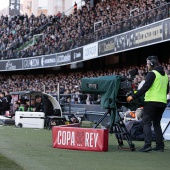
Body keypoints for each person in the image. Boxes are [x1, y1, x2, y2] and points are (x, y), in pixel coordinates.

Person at [127, 56, 169, 152]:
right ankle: (160, 146)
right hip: (162, 103)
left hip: (151, 103)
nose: (147, 65)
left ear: (152, 64)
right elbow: (167, 91)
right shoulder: (165, 76)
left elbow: (145, 87)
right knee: (157, 124)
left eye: (147, 63)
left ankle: (147, 145)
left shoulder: (152, 74)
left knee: (146, 122)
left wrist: (133, 96)